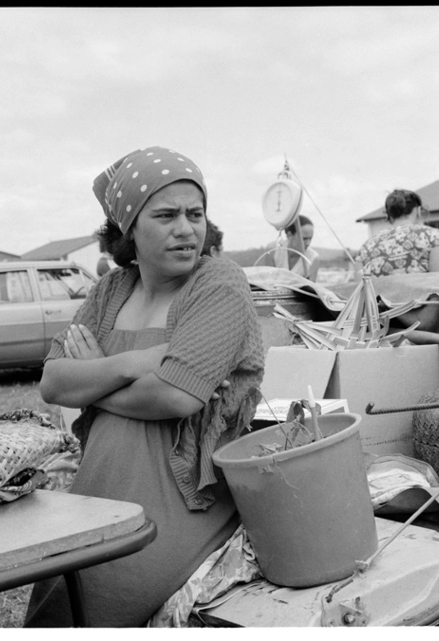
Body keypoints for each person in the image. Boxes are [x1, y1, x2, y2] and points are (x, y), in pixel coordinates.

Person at [24, 146, 264, 628]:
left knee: (112, 594)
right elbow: (53, 382)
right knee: (56, 602)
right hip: (95, 491)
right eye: (166, 215)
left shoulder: (218, 284)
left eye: (195, 214)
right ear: (129, 227)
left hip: (180, 502)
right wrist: (136, 362)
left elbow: (177, 397)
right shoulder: (111, 290)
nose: (186, 228)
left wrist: (94, 377)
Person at [356, 189, 439, 278]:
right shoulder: (433, 237)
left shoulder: (367, 246)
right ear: (418, 210)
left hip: (379, 295)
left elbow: (358, 290)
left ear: (389, 214)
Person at [267, 214, 320, 281]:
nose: (308, 243)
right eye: (304, 239)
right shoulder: (273, 250)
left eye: (310, 238)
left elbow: (311, 289)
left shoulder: (313, 258)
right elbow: (267, 281)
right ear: (289, 235)